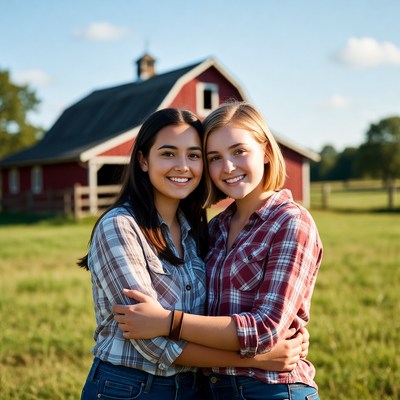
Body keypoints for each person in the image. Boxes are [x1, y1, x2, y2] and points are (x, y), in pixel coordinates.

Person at [78, 107, 308, 400]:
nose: (183, 166)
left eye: (194, 155)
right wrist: (258, 359)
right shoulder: (120, 226)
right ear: (143, 161)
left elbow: (215, 317)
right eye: (168, 153)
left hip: (194, 390)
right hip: (129, 388)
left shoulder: (200, 232)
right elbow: (151, 342)